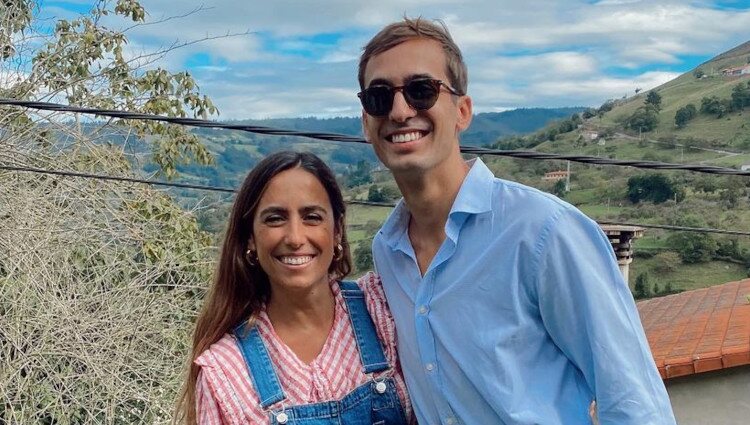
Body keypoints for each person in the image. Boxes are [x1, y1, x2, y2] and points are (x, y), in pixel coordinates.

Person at [358, 18, 676, 424]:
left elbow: (635, 404)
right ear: (366, 123)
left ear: (463, 111)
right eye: (379, 97)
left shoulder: (545, 232)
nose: (400, 111)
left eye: (422, 90)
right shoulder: (388, 251)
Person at [176, 151, 412, 424]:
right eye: (275, 218)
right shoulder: (228, 374)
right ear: (250, 238)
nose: (295, 238)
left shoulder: (382, 309)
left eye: (312, 217)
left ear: (336, 230)